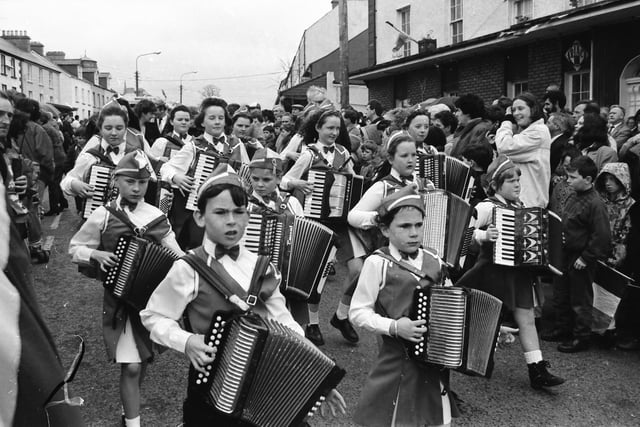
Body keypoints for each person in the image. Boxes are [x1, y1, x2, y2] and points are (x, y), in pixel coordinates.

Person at [140, 167, 345, 426]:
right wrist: (187, 340)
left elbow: (288, 325)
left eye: (239, 212)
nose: (231, 221)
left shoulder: (263, 266)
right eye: (220, 212)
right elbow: (153, 316)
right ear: (200, 217)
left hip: (267, 376)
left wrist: (316, 380)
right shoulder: (188, 268)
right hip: (214, 383)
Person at [69, 151, 183, 427]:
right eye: (130, 181)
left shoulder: (157, 217)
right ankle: (133, 422)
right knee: (131, 366)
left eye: (142, 182)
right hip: (118, 303)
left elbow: (178, 256)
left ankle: (127, 410)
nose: (136, 188)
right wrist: (95, 256)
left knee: (141, 362)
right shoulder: (103, 214)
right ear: (116, 180)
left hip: (150, 302)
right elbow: (75, 247)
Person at [349, 186, 459, 427]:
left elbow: (454, 304)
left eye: (419, 225)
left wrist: (487, 331)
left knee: (439, 421)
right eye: (405, 226)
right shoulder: (377, 263)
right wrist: (395, 326)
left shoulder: (435, 259)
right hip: (397, 362)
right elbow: (357, 312)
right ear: (385, 229)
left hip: (434, 364)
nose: (414, 233)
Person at [456, 155, 565, 389]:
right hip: (491, 272)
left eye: (518, 180)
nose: (517, 184)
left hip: (519, 274)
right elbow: (463, 233)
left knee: (527, 319)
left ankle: (537, 369)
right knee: (479, 316)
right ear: (496, 185)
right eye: (510, 181)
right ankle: (462, 359)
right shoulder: (486, 206)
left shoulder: (521, 208)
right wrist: (484, 235)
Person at [281, 109, 359, 344]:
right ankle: (312, 324)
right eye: (329, 128)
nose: (334, 133)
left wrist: (350, 180)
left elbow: (354, 181)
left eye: (337, 128)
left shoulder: (344, 153)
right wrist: (297, 182)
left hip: (341, 220)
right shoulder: (308, 153)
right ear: (318, 128)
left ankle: (341, 315)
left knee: (358, 270)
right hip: (316, 219)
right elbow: (283, 181)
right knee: (319, 276)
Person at [159, 97, 248, 250]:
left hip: (229, 211)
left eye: (221, 118)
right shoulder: (194, 146)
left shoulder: (237, 145)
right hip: (200, 212)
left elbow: (247, 174)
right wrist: (176, 177)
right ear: (202, 122)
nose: (217, 122)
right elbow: (166, 168)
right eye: (212, 118)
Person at [543, 156, 611, 353]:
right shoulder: (574, 195)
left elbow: (602, 236)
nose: (569, 181)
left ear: (588, 180)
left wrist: (586, 257)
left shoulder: (596, 204)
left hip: (580, 257)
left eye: (573, 177)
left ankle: (581, 337)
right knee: (561, 293)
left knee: (580, 299)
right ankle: (563, 329)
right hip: (564, 253)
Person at [61, 105, 138, 209]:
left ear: (125, 129)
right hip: (99, 218)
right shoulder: (91, 156)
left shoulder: (137, 155)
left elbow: (152, 183)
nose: (114, 133)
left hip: (130, 219)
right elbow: (67, 181)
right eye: (108, 128)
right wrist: (74, 184)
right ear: (100, 130)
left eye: (119, 128)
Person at [495, 92, 551, 208]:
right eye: (513, 110)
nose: (516, 113)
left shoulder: (538, 132)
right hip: (522, 203)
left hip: (530, 206)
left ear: (533, 109)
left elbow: (503, 146)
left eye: (521, 109)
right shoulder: (529, 132)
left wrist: (507, 120)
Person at [594, 162, 635, 269]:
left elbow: (626, 235)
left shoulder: (630, 205)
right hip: (593, 251)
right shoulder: (600, 200)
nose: (607, 183)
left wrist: (616, 257)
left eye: (612, 179)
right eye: (606, 179)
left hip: (616, 258)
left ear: (621, 180)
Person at [451, 94, 492, 159]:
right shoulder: (466, 128)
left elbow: (474, 156)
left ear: (467, 112)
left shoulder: (479, 129)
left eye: (458, 110)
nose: (456, 114)